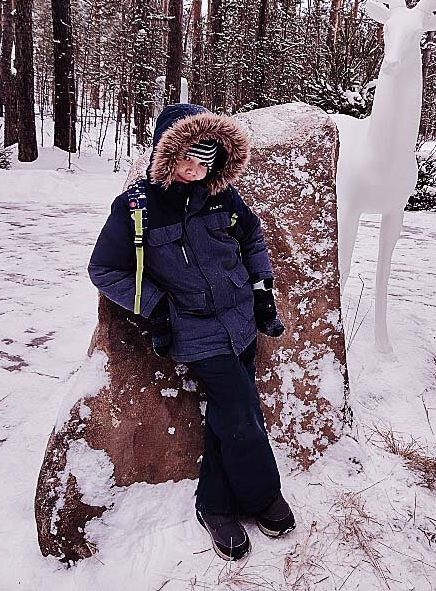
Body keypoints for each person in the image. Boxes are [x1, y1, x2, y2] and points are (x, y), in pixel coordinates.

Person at [88, 103, 295, 561]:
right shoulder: (136, 207)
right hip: (194, 329)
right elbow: (103, 269)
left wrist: (262, 294)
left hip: (241, 320)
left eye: (206, 161)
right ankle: (261, 497)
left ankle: (215, 506)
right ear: (167, 153)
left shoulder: (224, 198)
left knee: (232, 413)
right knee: (240, 410)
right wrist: (155, 307)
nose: (196, 169)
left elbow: (253, 240)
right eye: (187, 158)